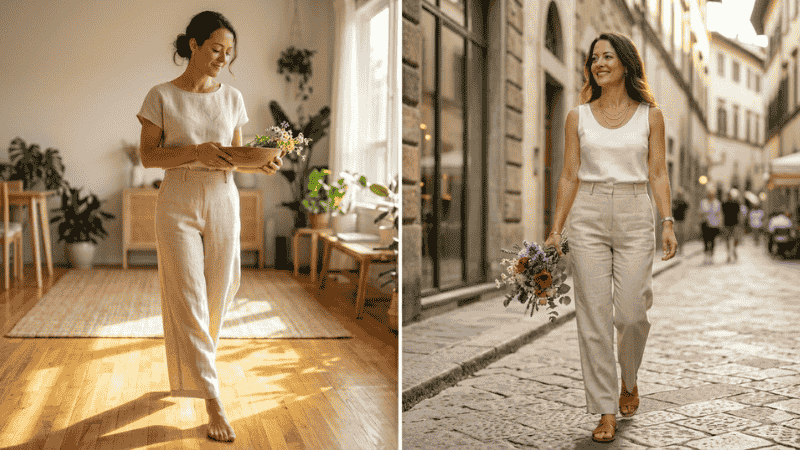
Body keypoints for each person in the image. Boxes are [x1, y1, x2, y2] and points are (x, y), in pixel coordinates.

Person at [136, 11, 284, 443]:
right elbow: (148, 157)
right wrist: (194, 151)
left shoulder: (232, 98)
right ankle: (212, 397)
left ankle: (192, 376)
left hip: (223, 197)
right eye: (217, 49)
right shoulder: (161, 95)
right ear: (194, 45)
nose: (224, 58)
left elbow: (234, 157)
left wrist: (263, 164)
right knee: (187, 295)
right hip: (177, 200)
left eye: (229, 52)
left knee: (221, 290)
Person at [542, 32, 677, 443]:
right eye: (594, 58)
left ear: (625, 63)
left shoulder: (651, 116)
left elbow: (658, 172)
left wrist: (667, 221)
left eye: (607, 56)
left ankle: (629, 379)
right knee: (594, 317)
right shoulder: (577, 117)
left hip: (636, 212)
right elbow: (569, 175)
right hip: (588, 214)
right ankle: (605, 410)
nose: (599, 63)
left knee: (633, 313)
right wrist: (555, 230)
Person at [699, 188, 722, 265]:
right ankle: (706, 257)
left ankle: (711, 257)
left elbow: (719, 214)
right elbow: (700, 213)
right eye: (709, 194)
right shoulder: (703, 202)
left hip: (714, 224)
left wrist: (719, 223)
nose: (710, 195)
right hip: (705, 224)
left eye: (712, 194)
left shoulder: (717, 203)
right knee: (705, 240)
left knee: (712, 241)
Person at [721, 190, 742, 263]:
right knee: (727, 240)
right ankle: (729, 254)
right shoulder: (724, 204)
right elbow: (722, 214)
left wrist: (740, 223)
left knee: (735, 239)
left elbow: (739, 214)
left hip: (735, 224)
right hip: (727, 224)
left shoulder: (736, 203)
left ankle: (733, 251)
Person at [671, 188, 689, 255]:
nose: (679, 195)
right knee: (676, 234)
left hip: (682, 220)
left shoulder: (683, 202)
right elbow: (671, 209)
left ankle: (680, 248)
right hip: (675, 220)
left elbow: (687, 207)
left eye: (680, 194)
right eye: (679, 194)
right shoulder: (674, 201)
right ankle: (676, 248)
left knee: (681, 235)